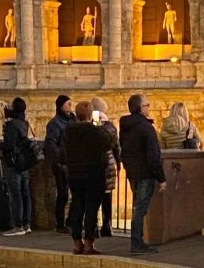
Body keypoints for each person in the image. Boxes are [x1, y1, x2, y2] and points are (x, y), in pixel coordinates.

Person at [60, 100, 110, 255]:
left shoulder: (68, 131)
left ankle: (76, 243)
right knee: (91, 210)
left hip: (75, 174)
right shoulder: (93, 130)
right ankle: (89, 243)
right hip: (94, 175)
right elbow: (108, 142)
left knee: (77, 207)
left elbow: (62, 154)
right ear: (90, 114)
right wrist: (98, 125)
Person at [120, 94, 167, 255]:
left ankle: (137, 240)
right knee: (140, 209)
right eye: (147, 105)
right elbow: (153, 155)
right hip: (145, 173)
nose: (149, 108)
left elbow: (124, 151)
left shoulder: (125, 127)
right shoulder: (146, 128)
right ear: (140, 108)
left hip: (133, 172)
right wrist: (161, 178)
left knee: (137, 208)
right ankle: (137, 242)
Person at [0, 97, 34, 236]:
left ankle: (17, 225)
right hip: (24, 162)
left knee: (16, 194)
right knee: (25, 192)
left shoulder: (11, 125)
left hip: (13, 163)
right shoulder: (24, 123)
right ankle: (26, 224)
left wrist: (0, 146)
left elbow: (9, 144)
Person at [44, 95, 74, 233]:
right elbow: (51, 144)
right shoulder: (55, 124)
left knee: (75, 193)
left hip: (72, 163)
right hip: (61, 164)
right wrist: (61, 160)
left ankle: (71, 220)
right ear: (61, 106)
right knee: (63, 194)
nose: (70, 106)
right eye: (68, 104)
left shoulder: (73, 120)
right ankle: (60, 223)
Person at [91, 97, 120, 238]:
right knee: (107, 196)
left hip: (95, 163)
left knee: (94, 196)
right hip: (109, 163)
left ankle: (94, 226)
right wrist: (118, 163)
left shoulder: (93, 123)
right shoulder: (110, 126)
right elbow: (116, 147)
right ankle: (107, 225)